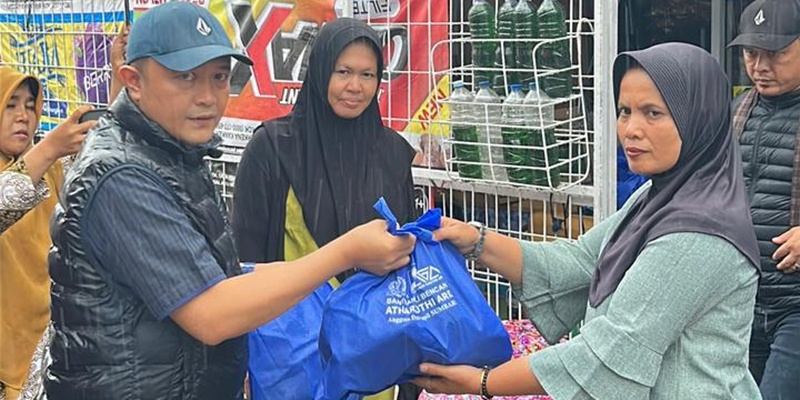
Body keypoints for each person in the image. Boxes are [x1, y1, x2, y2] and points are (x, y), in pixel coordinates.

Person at [44, 3, 414, 399]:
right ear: (133, 80)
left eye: (219, 77)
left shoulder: (175, 151)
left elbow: (234, 273)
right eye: (185, 78)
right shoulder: (122, 175)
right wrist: (345, 253)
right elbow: (213, 313)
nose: (207, 97)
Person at [412, 42, 762, 399]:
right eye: (624, 111)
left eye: (653, 113)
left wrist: (482, 383)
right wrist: (475, 240)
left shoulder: (697, 234)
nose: (631, 129)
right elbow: (581, 262)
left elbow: (611, 349)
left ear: (698, 118)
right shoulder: (658, 197)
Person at [231, 17, 420, 399]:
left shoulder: (391, 154)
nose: (355, 87)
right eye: (343, 71)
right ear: (319, 72)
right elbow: (243, 260)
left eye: (367, 74)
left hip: (374, 358)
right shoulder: (273, 149)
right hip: (291, 356)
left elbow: (408, 259)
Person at [727, 0, 800, 398]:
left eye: (775, 54)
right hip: (742, 300)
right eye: (751, 53)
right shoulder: (737, 112)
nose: (759, 66)